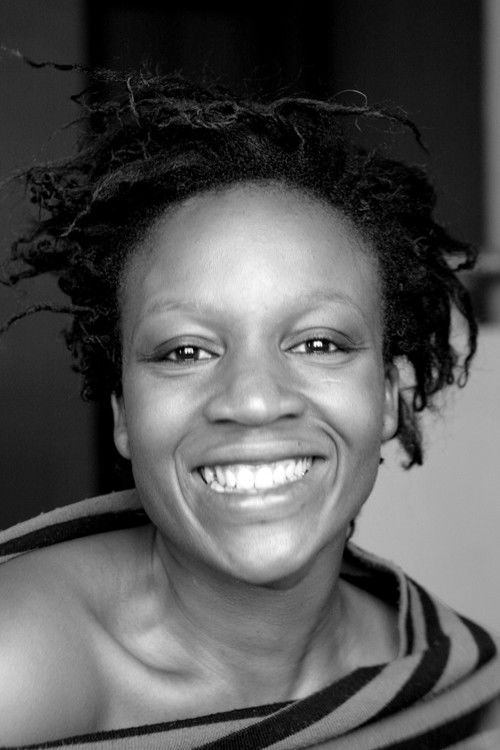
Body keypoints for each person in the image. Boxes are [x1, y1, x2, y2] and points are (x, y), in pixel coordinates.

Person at [0, 63, 498, 749]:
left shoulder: (451, 686)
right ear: (123, 415)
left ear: (388, 395)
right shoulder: (19, 664)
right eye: (185, 351)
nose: (255, 400)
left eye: (318, 343)